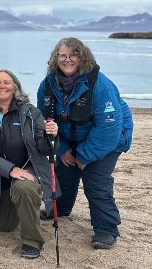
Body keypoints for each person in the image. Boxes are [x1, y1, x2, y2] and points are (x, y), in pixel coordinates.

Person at [37, 37, 133, 250]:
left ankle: (106, 229)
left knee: (95, 181)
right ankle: (61, 209)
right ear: (55, 58)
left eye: (74, 55)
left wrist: (83, 156)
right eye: (62, 55)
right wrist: (63, 149)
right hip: (70, 137)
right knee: (64, 172)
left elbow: (108, 128)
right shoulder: (47, 84)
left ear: (83, 58)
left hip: (109, 138)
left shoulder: (101, 85)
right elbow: (44, 121)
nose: (67, 60)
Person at [0, 70, 59, 259]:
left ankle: (31, 241)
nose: (2, 86)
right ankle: (22, 208)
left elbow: (44, 148)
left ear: (15, 87)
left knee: (24, 187)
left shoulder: (30, 112)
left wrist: (51, 135)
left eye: (7, 82)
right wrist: (10, 170)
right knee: (3, 226)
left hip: (27, 169)